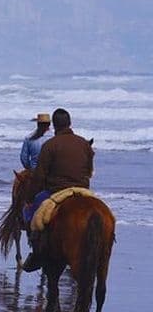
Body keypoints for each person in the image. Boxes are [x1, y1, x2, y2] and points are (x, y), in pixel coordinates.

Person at [22, 108, 95, 272]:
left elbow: (39, 176)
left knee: (30, 213)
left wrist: (29, 199)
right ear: (70, 123)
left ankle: (36, 253)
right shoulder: (85, 144)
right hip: (83, 190)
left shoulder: (49, 145)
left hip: (56, 191)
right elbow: (90, 172)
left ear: (54, 126)